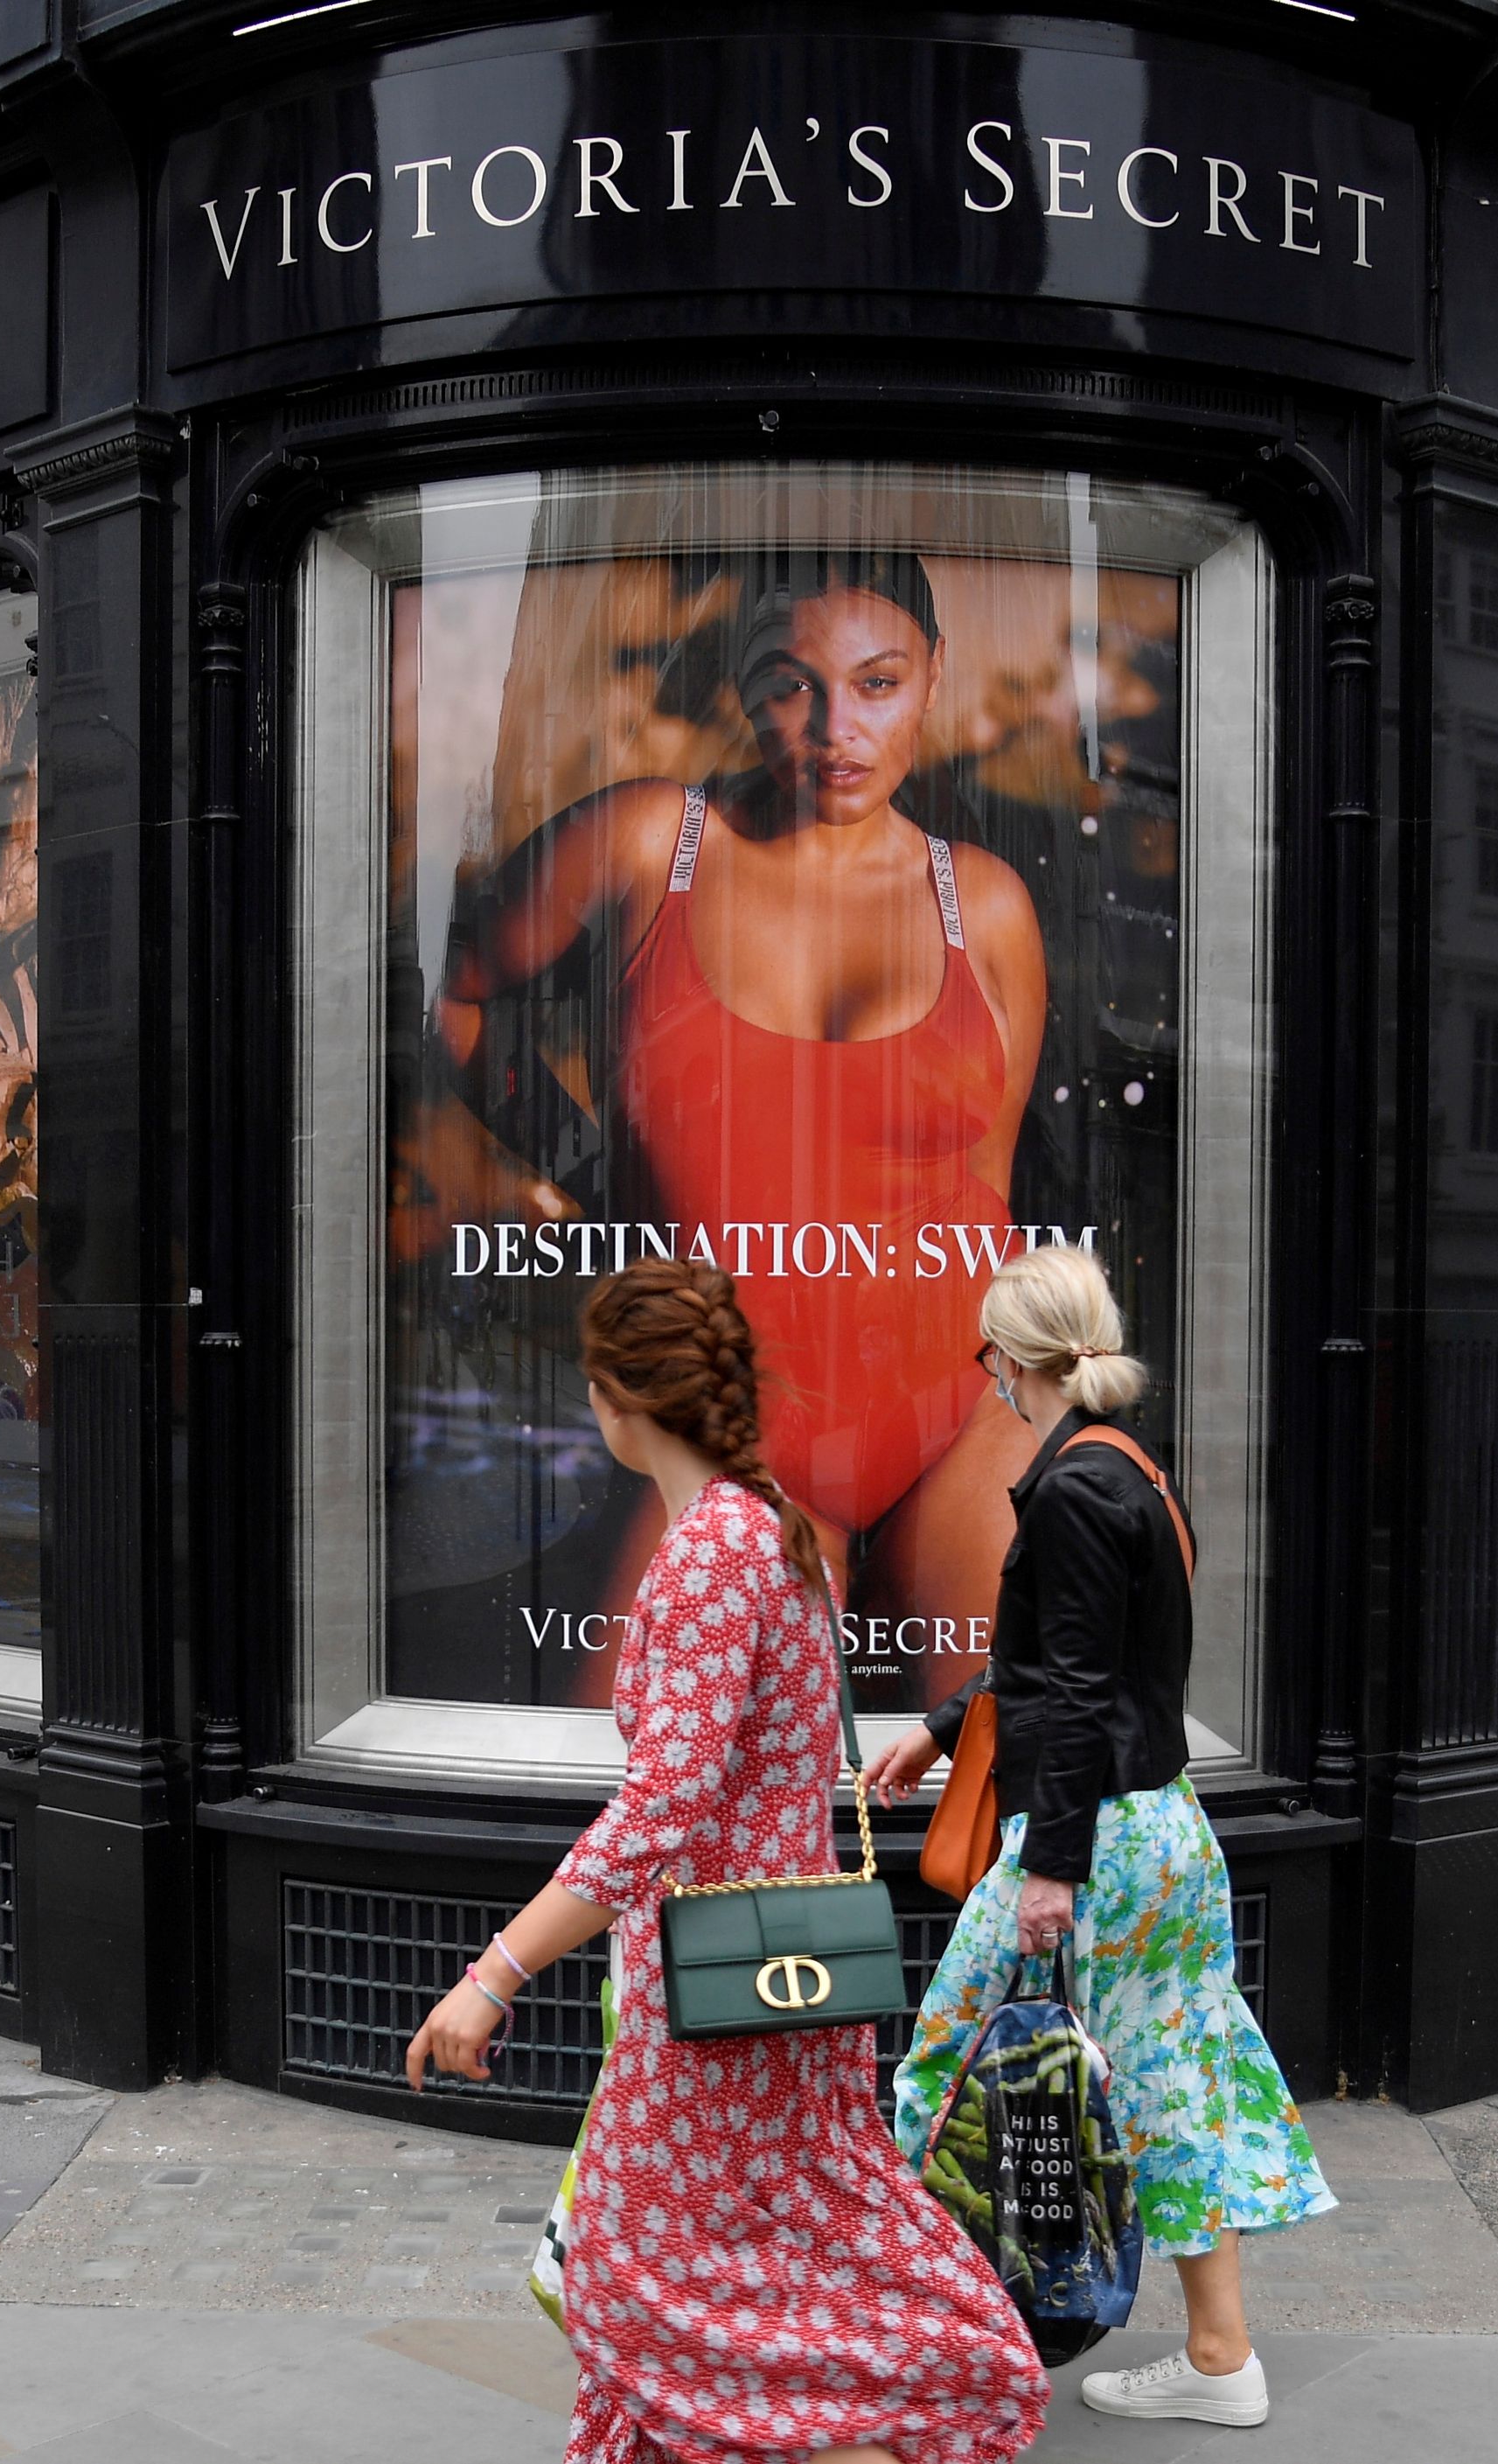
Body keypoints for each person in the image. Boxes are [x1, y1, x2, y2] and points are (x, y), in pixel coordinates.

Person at [404, 1257, 1049, 2464]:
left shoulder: (713, 1551)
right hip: (773, 1977)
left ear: (621, 1400)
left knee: (638, 2277)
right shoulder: (771, 1530)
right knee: (768, 2262)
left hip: (718, 1998)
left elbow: (662, 1805)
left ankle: (865, 2438)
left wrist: (494, 1972)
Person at [428, 549, 1049, 1693]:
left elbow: (989, 1189)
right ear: (743, 685)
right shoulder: (649, 842)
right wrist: (593, 1176)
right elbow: (453, 990)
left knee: (995, 1773)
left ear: (933, 675)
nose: (835, 728)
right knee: (630, 1764)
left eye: (878, 683)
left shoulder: (986, 903)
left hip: (964, 1417)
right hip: (729, 1425)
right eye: (790, 684)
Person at [868, 1244, 1334, 2430]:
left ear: (1008, 1358)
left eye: (987, 1355)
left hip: (1091, 1842)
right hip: (1162, 1825)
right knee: (1171, 2084)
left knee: (949, 2069)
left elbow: (1076, 1691)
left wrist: (1051, 1870)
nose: (988, 1376)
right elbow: (1082, 1664)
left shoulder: (1071, 1488)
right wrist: (939, 1728)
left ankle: (931, 2349)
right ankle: (1220, 2357)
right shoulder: (1132, 1468)